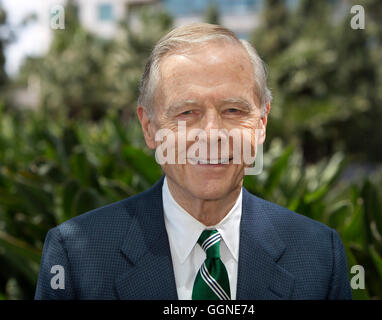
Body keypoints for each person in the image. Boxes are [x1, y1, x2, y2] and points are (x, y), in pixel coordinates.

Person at [35, 23, 352, 300]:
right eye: (187, 113)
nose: (211, 134)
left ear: (262, 123)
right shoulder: (76, 257)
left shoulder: (320, 255)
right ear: (150, 128)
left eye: (233, 111)